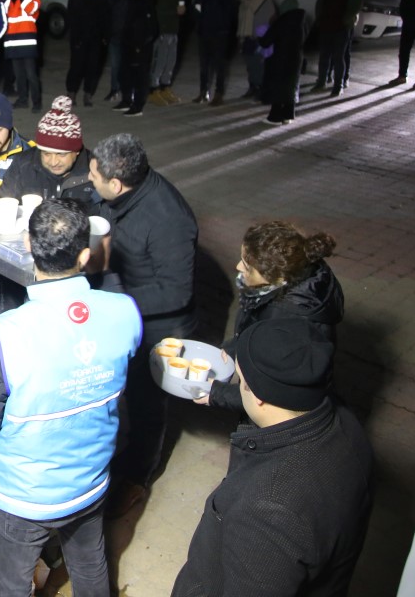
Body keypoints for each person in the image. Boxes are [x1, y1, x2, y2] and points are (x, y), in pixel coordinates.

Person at [0, 198, 142, 597]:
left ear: (27, 244)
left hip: (23, 497)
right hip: (90, 481)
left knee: (9, 585)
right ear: (85, 255)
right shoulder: (126, 312)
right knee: (89, 564)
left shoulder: (6, 333)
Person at [171, 318, 373, 597]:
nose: (239, 383)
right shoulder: (346, 425)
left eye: (240, 379)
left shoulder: (268, 509)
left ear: (259, 396)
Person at [87, 133, 198, 516]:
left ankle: (138, 477)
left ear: (117, 184)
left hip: (159, 325)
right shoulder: (123, 195)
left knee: (147, 403)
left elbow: (176, 292)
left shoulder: (169, 220)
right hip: (127, 303)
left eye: (94, 176)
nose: (90, 179)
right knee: (123, 392)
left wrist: (115, 304)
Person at [199, 221, 344, 412]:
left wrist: (217, 394)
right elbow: (255, 325)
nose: (238, 266)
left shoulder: (286, 325)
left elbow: (276, 399)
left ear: (276, 278)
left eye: (247, 266)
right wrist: (234, 349)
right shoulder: (291, 279)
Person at [0, 96, 96, 207]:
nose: (53, 162)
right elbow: (4, 202)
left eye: (61, 154)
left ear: (76, 150)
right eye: (46, 154)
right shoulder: (22, 165)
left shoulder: (96, 171)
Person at [310, 0, 362, 97]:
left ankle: (338, 85)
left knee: (339, 57)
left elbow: (355, 5)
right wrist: (320, 19)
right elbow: (321, 3)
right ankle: (321, 81)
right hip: (327, 25)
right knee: (324, 56)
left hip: (342, 28)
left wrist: (345, 21)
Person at [259, 0, 308, 125]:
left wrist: (260, 36)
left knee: (278, 87)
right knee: (291, 86)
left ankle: (275, 117)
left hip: (281, 59)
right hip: (296, 59)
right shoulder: (302, 22)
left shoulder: (281, 21)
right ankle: (288, 115)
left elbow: (266, 41)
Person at [114, 0, 159, 117]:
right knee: (124, 74)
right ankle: (126, 100)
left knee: (140, 77)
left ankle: (138, 106)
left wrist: (141, 45)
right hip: (128, 44)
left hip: (140, 47)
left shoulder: (145, 3)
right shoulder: (131, 1)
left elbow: (151, 29)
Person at [190, 0, 236, 104]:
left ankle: (219, 93)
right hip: (204, 33)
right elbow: (196, 7)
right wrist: (198, 19)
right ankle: (203, 92)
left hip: (220, 34)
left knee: (219, 65)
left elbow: (230, 11)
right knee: (204, 65)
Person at [66, 0, 110, 107]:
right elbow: (72, 19)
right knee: (76, 67)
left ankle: (88, 94)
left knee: (93, 67)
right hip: (80, 39)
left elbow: (105, 17)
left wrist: (105, 36)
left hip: (96, 40)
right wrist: (76, 39)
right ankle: (71, 93)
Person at [1, 0, 42, 110]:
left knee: (31, 75)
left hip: (27, 44)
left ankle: (36, 102)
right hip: (13, 44)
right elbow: (1, 13)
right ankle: (22, 100)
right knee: (19, 76)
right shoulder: (9, 1)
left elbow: (31, 9)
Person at [148, 0, 183, 106]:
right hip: (162, 30)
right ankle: (153, 89)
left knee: (170, 61)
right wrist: (175, 11)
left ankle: (165, 86)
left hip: (173, 29)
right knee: (159, 61)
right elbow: (158, 10)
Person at [236, 0, 276, 101]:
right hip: (247, 38)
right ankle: (252, 86)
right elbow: (242, 21)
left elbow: (268, 21)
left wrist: (260, 36)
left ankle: (261, 89)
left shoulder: (265, 1)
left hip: (260, 39)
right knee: (250, 65)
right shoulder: (245, 4)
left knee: (259, 65)